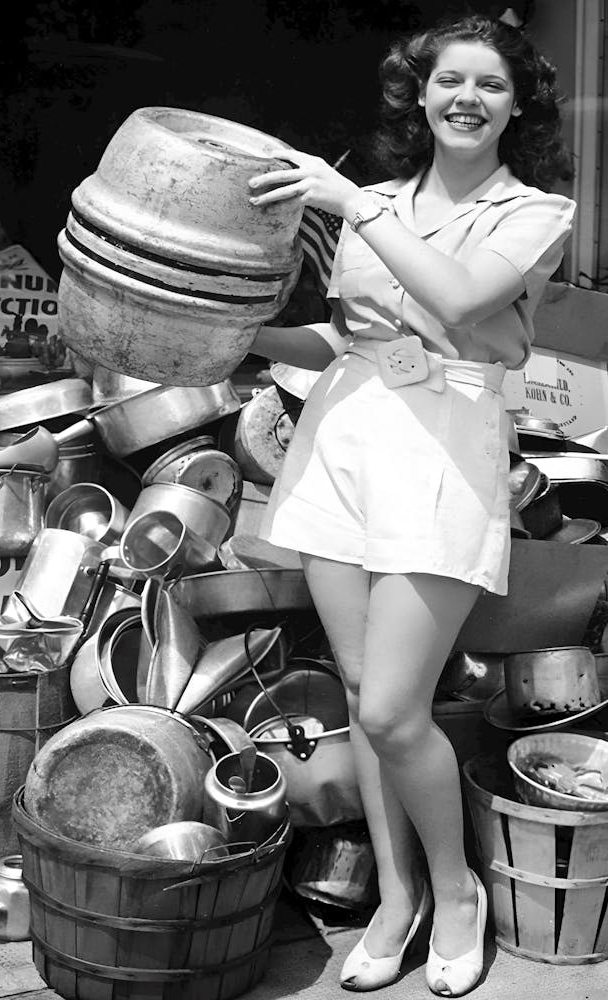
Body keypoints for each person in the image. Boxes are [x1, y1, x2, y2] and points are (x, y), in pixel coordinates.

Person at [247, 14, 575, 997]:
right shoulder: (378, 201)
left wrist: (353, 204)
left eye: (489, 84)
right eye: (450, 81)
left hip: (446, 444)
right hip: (344, 433)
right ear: (420, 95)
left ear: (517, 106)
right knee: (358, 696)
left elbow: (465, 301)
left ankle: (457, 890)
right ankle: (396, 897)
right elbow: (354, 342)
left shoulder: (534, 211)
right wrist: (242, 335)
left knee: (393, 708)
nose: (467, 98)